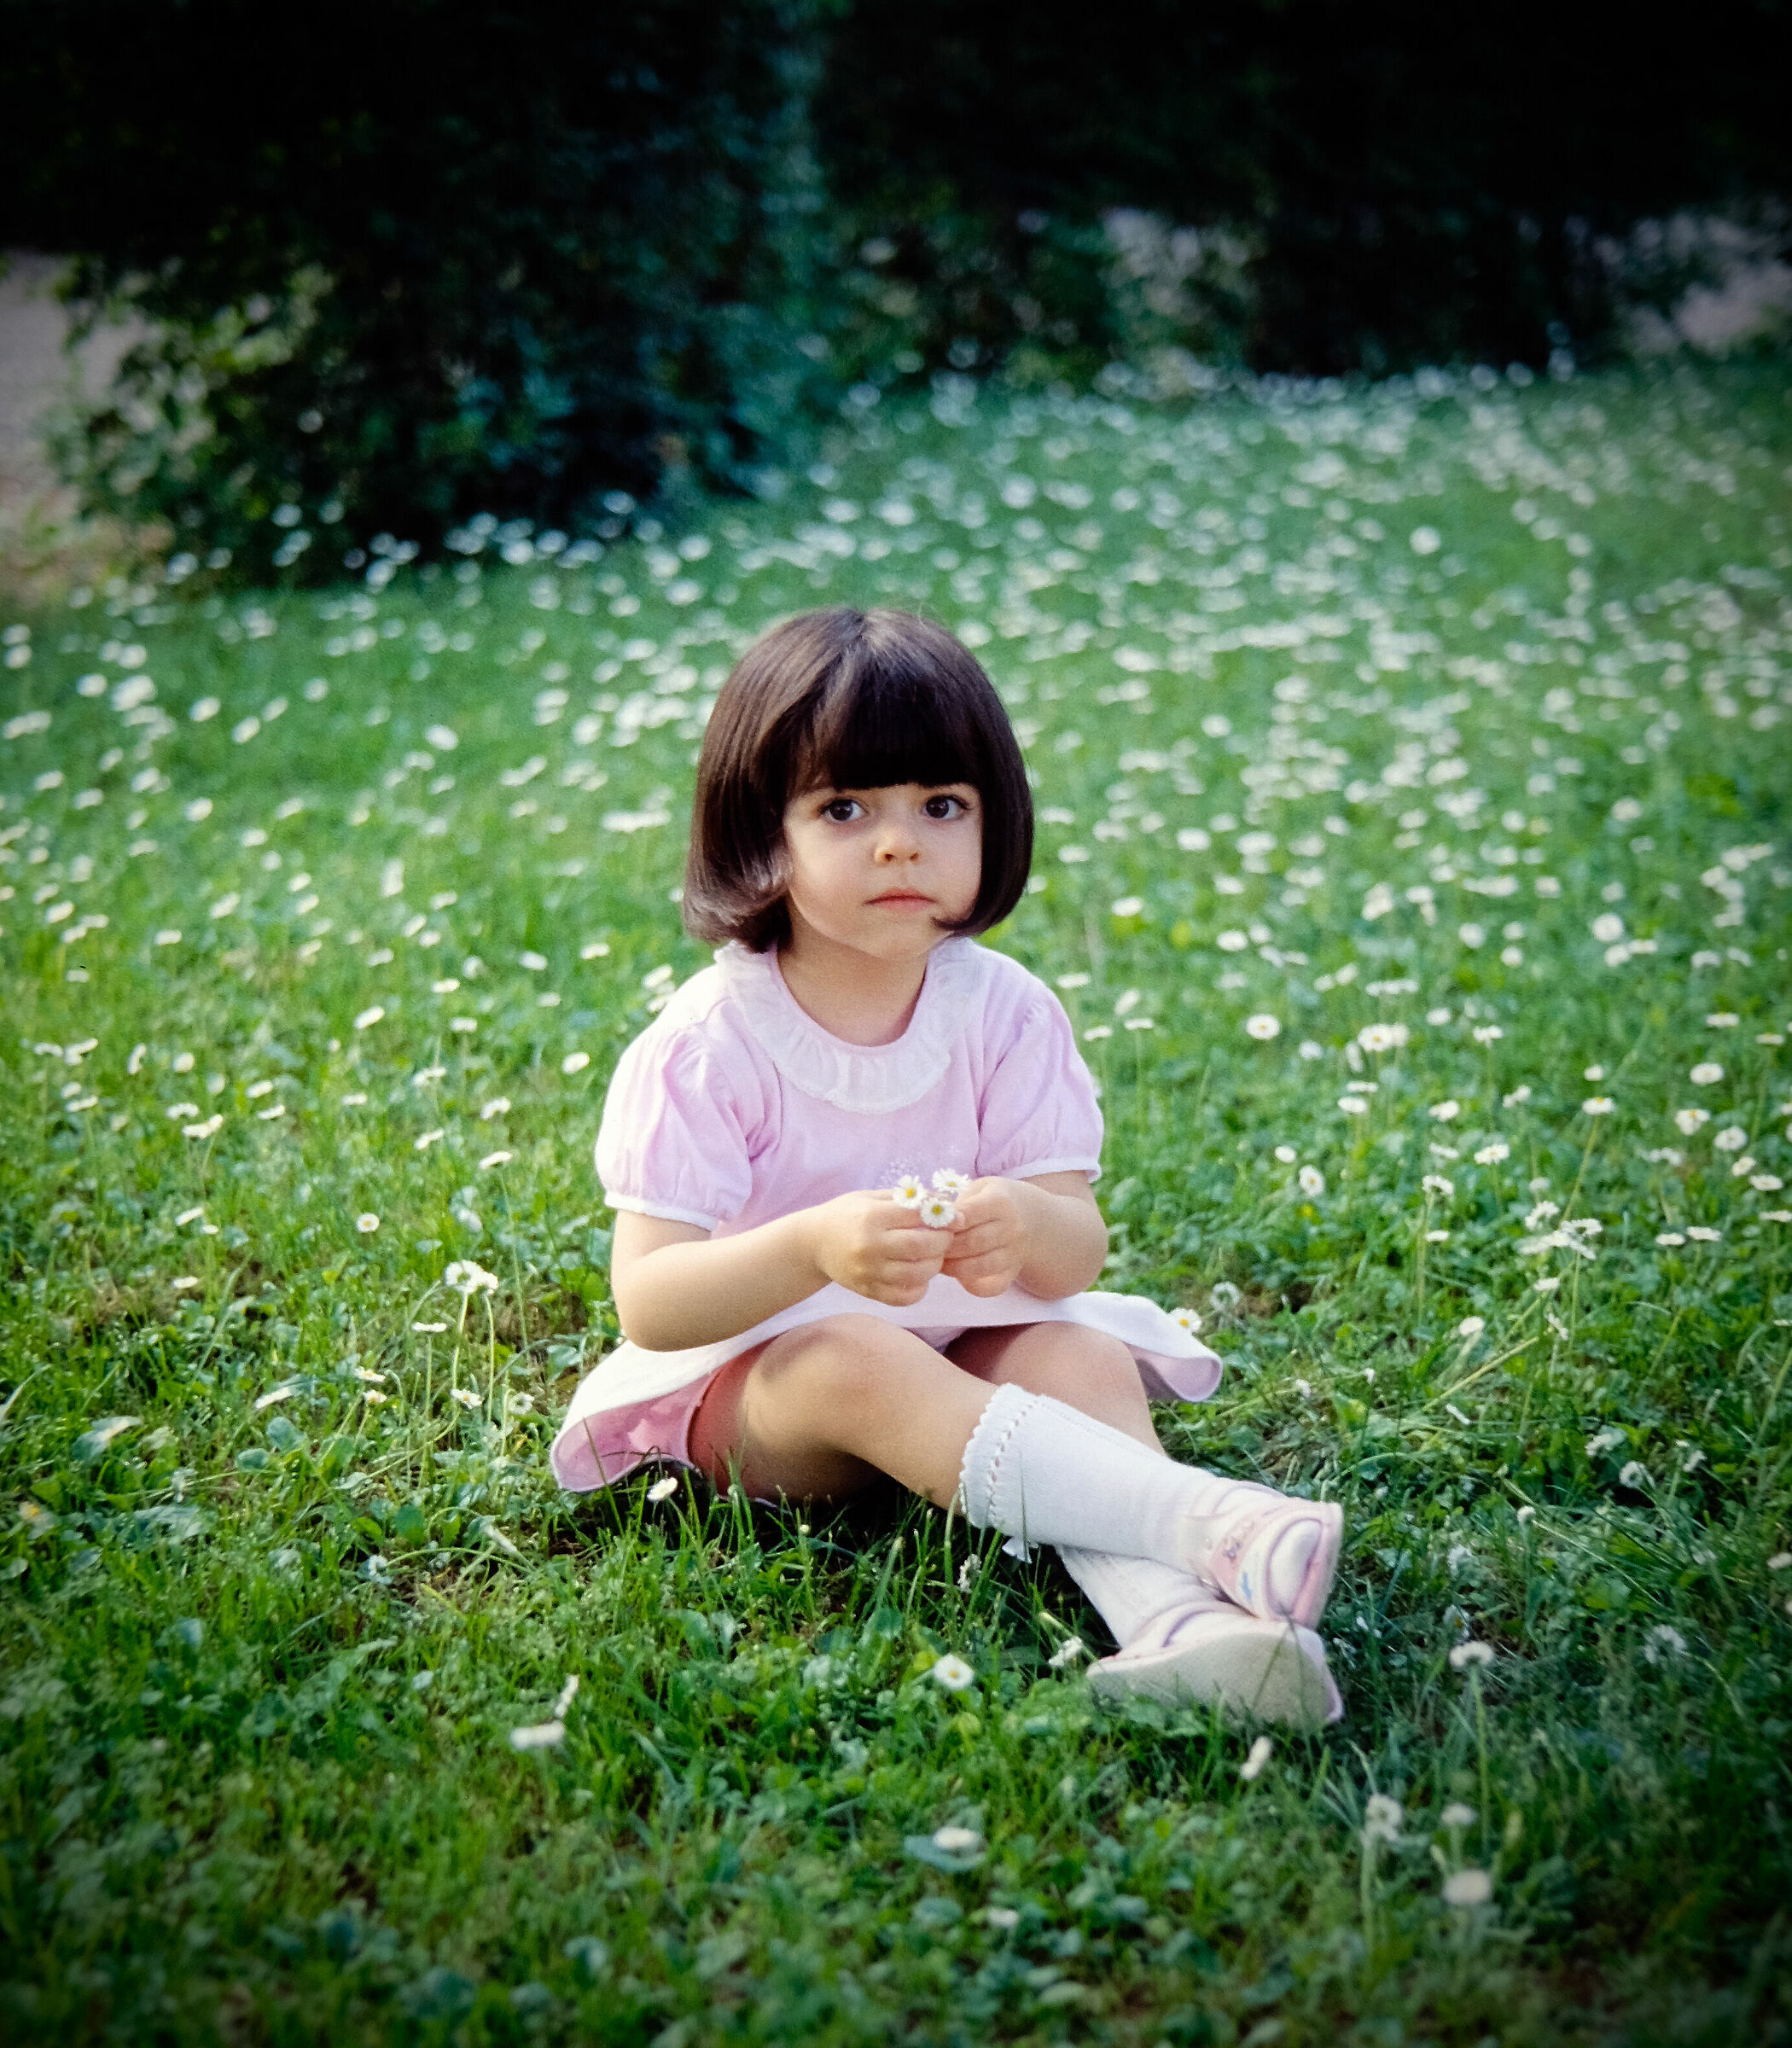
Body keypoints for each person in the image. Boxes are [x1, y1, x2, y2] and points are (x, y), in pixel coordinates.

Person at [550, 607, 1343, 1727]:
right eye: (844, 809)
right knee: (849, 1354)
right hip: (768, 1397)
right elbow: (652, 1301)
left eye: (941, 805)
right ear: (759, 835)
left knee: (1075, 1350)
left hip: (959, 1351)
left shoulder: (1004, 1013)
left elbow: (1073, 1252)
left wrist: (1022, 1221)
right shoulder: (710, 1043)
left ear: (994, 820)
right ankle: (1207, 1520)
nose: (900, 843)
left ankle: (1194, 1630)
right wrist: (812, 1247)